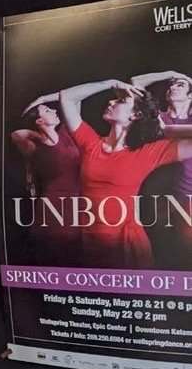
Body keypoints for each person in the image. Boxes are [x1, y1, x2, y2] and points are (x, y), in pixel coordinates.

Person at [58, 79, 192, 268]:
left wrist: (165, 129)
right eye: (114, 99)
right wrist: (111, 83)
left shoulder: (149, 152)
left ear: (136, 114)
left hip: (125, 245)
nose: (111, 102)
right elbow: (66, 97)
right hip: (90, 240)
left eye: (120, 101)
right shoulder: (91, 144)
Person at [130, 71, 192, 267]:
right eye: (170, 85)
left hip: (188, 195)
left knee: (185, 252)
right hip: (156, 195)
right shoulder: (158, 117)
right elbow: (135, 82)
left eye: (180, 85)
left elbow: (164, 131)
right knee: (160, 250)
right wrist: (171, 74)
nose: (173, 87)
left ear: (190, 96)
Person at [11, 101, 82, 265]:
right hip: (52, 208)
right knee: (53, 258)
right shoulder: (35, 147)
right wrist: (42, 135)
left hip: (77, 205)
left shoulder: (66, 133)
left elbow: (74, 100)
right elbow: (16, 135)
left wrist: (42, 98)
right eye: (47, 110)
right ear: (39, 121)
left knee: (76, 260)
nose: (54, 110)